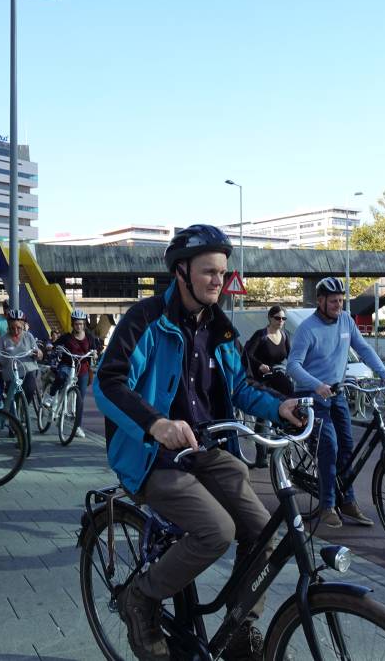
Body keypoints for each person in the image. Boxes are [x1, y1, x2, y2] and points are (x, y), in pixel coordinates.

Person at [94, 224, 303, 661]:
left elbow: (242, 387)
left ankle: (242, 628)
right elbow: (109, 384)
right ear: (182, 272)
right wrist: (156, 424)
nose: (218, 281)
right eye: (209, 271)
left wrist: (279, 407)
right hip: (154, 459)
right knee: (217, 531)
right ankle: (142, 597)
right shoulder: (145, 320)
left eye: (223, 273)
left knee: (263, 531)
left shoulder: (221, 329)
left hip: (208, 451)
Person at [286, 276, 385, 529]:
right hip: (312, 397)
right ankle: (327, 504)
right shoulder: (307, 329)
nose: (338, 305)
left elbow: (363, 349)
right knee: (329, 447)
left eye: (341, 301)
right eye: (333, 301)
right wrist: (316, 385)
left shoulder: (345, 321)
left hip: (337, 393)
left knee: (347, 445)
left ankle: (348, 501)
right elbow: (292, 366)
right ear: (320, 301)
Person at [242, 305, 294, 468]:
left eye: (283, 319)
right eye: (277, 318)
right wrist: (259, 365)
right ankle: (261, 453)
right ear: (270, 318)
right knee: (263, 414)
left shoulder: (285, 336)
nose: (281, 321)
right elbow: (247, 354)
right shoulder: (261, 335)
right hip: (262, 378)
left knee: (287, 405)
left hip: (277, 376)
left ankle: (278, 443)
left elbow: (291, 357)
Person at [48, 309, 101, 439]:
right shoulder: (67, 337)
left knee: (80, 400)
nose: (79, 326)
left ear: (84, 324)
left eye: (81, 324)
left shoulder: (89, 337)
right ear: (73, 324)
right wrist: (50, 346)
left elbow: (95, 349)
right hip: (67, 365)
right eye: (77, 324)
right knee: (61, 377)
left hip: (82, 369)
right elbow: (53, 344)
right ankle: (50, 396)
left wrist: (94, 353)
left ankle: (77, 427)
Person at [0, 309, 43, 407]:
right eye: (12, 328)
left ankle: (25, 408)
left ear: (23, 325)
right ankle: (13, 415)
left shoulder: (28, 337)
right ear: (8, 325)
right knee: (11, 398)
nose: (15, 331)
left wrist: (39, 353)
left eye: (18, 328)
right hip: (11, 372)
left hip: (27, 370)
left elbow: (39, 354)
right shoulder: (3, 339)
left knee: (30, 388)